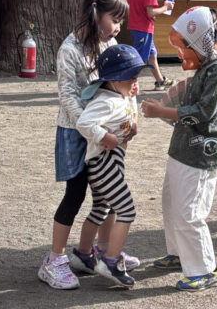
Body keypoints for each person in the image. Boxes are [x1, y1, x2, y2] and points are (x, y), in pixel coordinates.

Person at [39, 0, 140, 290]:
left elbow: (116, 85)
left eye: (121, 21)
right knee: (76, 193)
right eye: (115, 19)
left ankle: (101, 251)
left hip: (104, 133)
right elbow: (68, 97)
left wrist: (126, 114)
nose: (118, 27)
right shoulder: (69, 49)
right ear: (96, 13)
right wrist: (95, 128)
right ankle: (54, 259)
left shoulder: (107, 41)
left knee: (107, 196)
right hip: (76, 131)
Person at [141, 7, 217, 292]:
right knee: (171, 202)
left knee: (189, 211)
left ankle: (206, 270)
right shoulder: (210, 64)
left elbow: (204, 113)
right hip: (184, 147)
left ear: (201, 43)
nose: (183, 53)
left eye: (185, 46)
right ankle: (179, 253)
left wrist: (162, 112)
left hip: (200, 152)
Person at [74, 44, 148, 288]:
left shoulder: (120, 96)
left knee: (102, 208)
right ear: (115, 80)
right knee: (126, 210)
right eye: (132, 78)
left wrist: (132, 123)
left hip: (110, 162)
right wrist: (105, 138)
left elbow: (128, 120)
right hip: (103, 163)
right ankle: (111, 261)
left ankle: (83, 254)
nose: (135, 84)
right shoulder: (106, 101)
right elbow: (84, 123)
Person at [125, 0, 175, 90]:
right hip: (143, 29)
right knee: (140, 59)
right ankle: (127, 82)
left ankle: (160, 81)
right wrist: (166, 7)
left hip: (137, 28)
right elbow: (151, 12)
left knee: (152, 55)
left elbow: (127, 1)